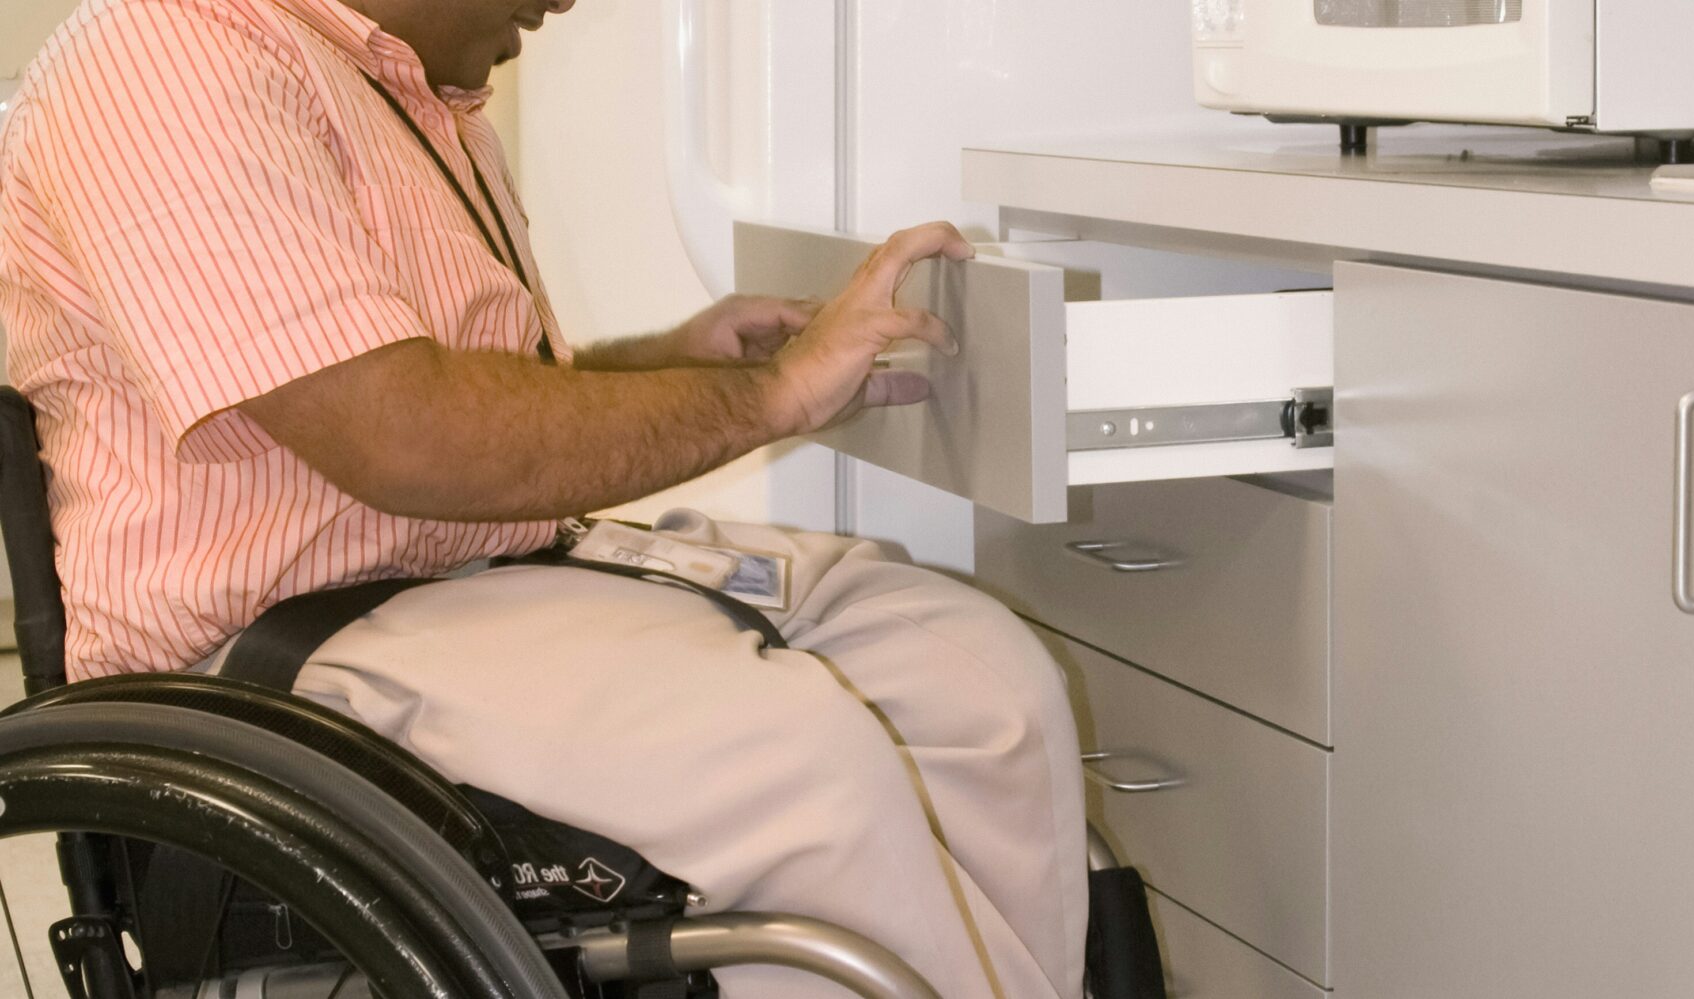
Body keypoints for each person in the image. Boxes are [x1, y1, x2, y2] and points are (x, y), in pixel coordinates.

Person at [0, 0, 1089, 995]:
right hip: (277, 658)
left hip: (465, 583)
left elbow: (468, 397)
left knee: (972, 676)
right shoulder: (168, 56)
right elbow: (403, 436)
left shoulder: (412, 90)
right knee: (794, 756)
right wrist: (769, 397)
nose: (565, 1)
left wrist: (681, 362)